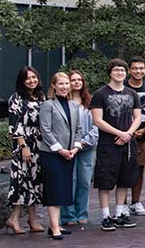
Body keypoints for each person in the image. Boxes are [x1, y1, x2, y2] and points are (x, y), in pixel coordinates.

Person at [90, 59, 142, 231]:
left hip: (128, 144)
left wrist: (128, 135)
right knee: (105, 181)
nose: (120, 73)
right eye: (116, 70)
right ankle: (106, 216)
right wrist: (119, 133)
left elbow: (137, 117)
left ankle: (119, 213)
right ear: (110, 72)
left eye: (122, 70)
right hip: (108, 144)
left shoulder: (132, 93)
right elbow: (97, 120)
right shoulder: (100, 94)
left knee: (124, 180)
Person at [38, 72, 83, 240]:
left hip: (69, 153)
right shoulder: (48, 105)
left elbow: (78, 129)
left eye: (66, 84)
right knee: (54, 190)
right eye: (61, 84)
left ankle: (56, 225)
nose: (65, 87)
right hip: (52, 154)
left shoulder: (73, 105)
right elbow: (46, 130)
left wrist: (75, 148)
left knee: (63, 189)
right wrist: (60, 149)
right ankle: (54, 227)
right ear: (54, 86)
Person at [5, 66, 46, 235]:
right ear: (22, 81)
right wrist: (23, 147)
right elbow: (15, 126)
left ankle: (32, 219)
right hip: (24, 145)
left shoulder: (41, 97)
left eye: (34, 77)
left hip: (39, 144)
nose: (32, 81)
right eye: (28, 78)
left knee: (34, 181)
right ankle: (14, 219)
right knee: (21, 181)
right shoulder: (16, 99)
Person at [61, 70, 98, 226]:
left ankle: (82, 213)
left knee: (84, 181)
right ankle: (68, 216)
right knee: (70, 181)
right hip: (67, 149)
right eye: (73, 80)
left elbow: (97, 125)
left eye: (79, 80)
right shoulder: (61, 102)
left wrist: (83, 142)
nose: (76, 82)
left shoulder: (90, 102)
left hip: (86, 148)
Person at [125, 57, 145, 217]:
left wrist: (143, 131)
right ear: (129, 70)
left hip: (144, 135)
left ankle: (135, 202)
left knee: (139, 169)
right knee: (123, 168)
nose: (138, 71)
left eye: (141, 68)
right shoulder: (123, 87)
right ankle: (121, 203)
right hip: (124, 134)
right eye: (135, 68)